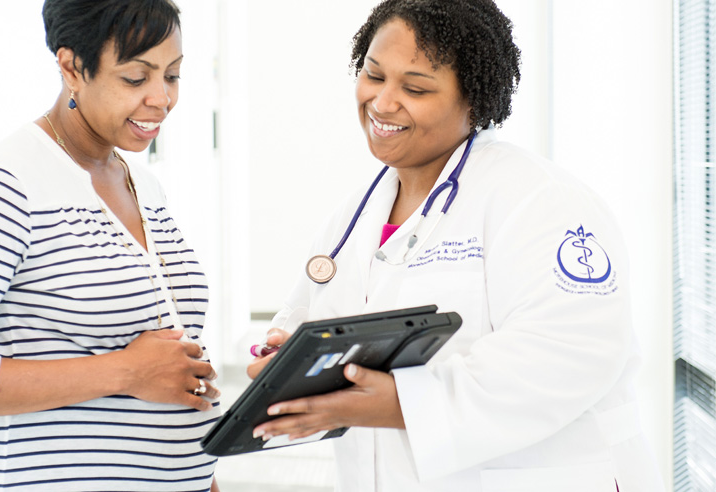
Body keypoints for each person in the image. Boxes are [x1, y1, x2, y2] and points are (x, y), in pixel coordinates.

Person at [246, 1, 665, 490]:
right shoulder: (355, 216)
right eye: (373, 75)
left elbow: (571, 351)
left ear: (477, 100)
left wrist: (404, 402)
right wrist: (286, 356)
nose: (382, 103)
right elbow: (310, 320)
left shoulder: (541, 201)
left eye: (416, 88)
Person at [0, 1, 223, 490]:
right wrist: (123, 372)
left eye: (172, 76)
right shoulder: (9, 185)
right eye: (136, 78)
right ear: (72, 66)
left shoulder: (142, 185)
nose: (162, 98)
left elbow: (168, 370)